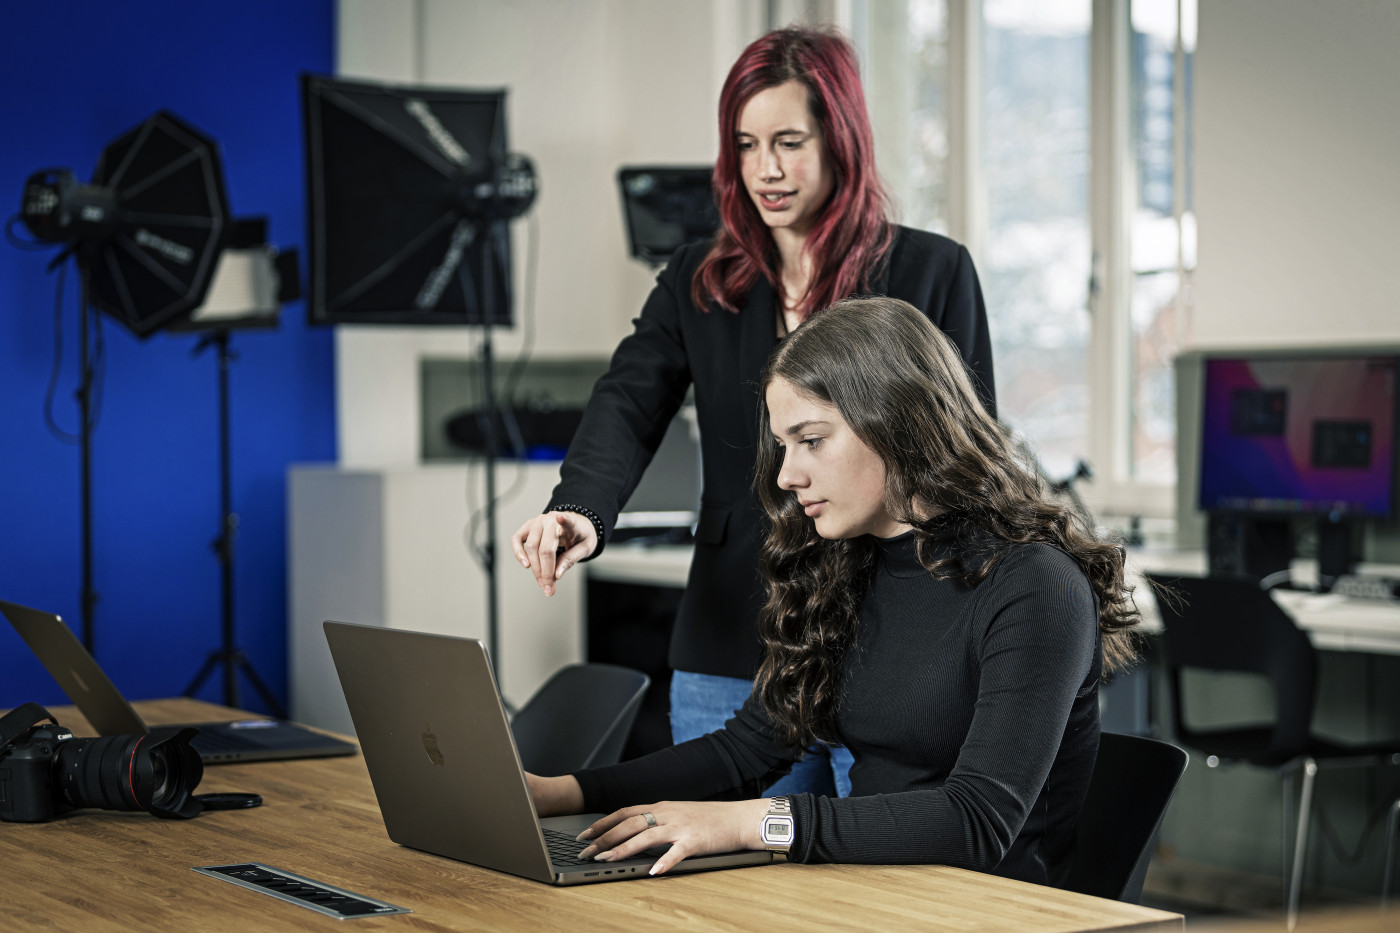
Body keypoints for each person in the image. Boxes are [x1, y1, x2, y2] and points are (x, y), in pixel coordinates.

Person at [511, 26, 995, 798]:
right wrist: (580, 509)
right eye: (745, 143)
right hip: (733, 644)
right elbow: (628, 401)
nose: (766, 169)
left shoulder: (930, 272)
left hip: (889, 646)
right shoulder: (700, 278)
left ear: (841, 139)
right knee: (724, 897)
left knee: (873, 894)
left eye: (790, 141)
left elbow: (964, 465)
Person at [526, 296, 1140, 886]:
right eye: (783, 446)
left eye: (811, 440)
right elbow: (748, 749)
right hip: (870, 891)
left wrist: (752, 822)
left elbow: (975, 821)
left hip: (993, 910)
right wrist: (562, 793)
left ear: (897, 421)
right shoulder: (850, 562)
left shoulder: (1034, 586)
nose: (788, 475)